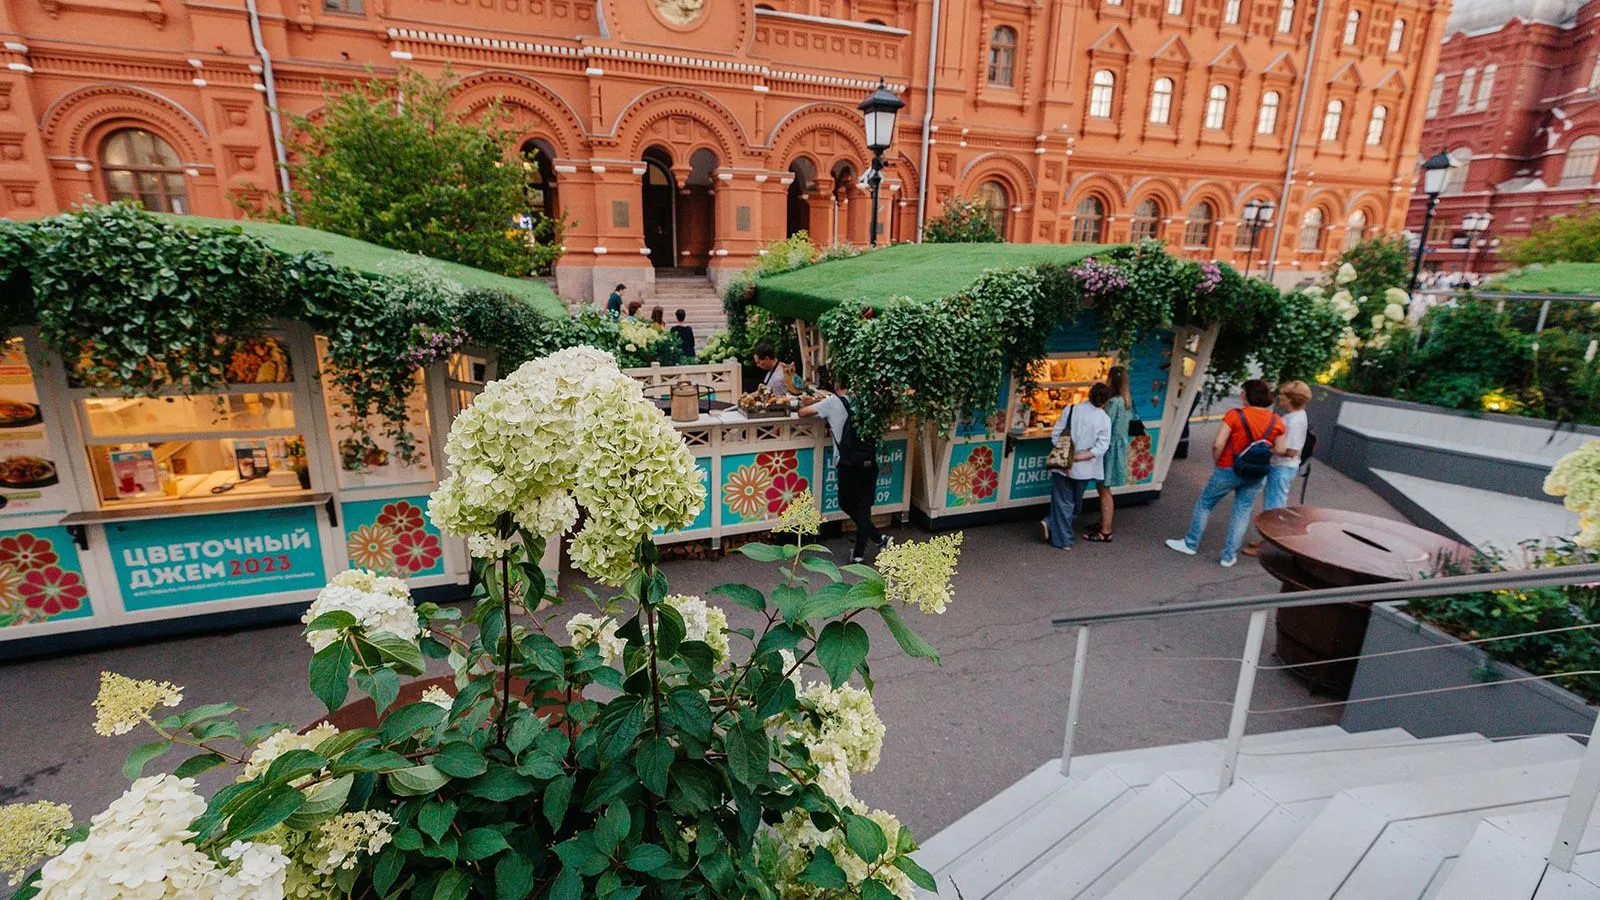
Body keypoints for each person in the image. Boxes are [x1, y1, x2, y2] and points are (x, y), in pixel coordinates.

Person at [1166, 379, 1288, 567]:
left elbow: (1218, 443)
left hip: (1228, 467)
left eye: (1242, 392)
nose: (1241, 395)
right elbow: (1281, 449)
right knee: (1242, 511)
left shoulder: (1235, 415)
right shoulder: (1276, 420)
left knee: (1205, 503)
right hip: (1256, 473)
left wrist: (1218, 462)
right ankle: (1229, 556)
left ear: (1248, 395)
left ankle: (1190, 543)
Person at [800, 371, 890, 563]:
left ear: (837, 386)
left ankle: (862, 551)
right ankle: (875, 542)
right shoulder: (867, 401)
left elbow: (803, 412)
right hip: (869, 460)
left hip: (848, 463)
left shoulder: (832, 402)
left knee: (846, 503)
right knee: (864, 506)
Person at [1242, 379, 1312, 556]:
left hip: (1282, 467)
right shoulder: (1296, 416)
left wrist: (1270, 450)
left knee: (1273, 508)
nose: (1279, 397)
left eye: (1283, 395)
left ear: (1291, 398)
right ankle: (1267, 541)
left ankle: (1269, 546)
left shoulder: (1294, 421)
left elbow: (1292, 451)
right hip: (1283, 467)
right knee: (1274, 505)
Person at [1041, 383, 1112, 551]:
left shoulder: (1071, 409)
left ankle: (1061, 538)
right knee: (1075, 503)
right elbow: (1102, 447)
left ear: (1089, 394)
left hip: (1063, 463)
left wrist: (1068, 455)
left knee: (1062, 501)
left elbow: (1056, 434)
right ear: (1106, 401)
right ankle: (1055, 528)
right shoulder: (1104, 418)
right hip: (1086, 468)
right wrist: (1080, 457)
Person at [1085, 366, 1132, 542]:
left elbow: (1104, 424)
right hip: (1118, 447)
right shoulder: (1126, 401)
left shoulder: (1113, 403)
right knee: (1104, 487)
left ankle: (1106, 530)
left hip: (1109, 450)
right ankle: (1104, 521)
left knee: (1104, 488)